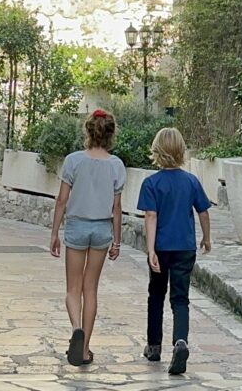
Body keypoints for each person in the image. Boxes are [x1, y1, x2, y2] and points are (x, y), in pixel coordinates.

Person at [49, 109, 125, 367]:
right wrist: (117, 241)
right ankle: (85, 350)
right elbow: (117, 208)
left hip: (77, 227)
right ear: (111, 134)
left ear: (88, 131)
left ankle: (75, 329)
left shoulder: (73, 161)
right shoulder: (116, 165)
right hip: (102, 229)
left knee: (73, 288)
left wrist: (54, 233)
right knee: (90, 289)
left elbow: (62, 200)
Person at [138, 127, 212, 375]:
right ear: (181, 150)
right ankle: (180, 341)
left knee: (156, 295)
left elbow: (150, 215)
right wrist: (207, 237)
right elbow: (203, 211)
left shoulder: (151, 183)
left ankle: (154, 346)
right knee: (180, 298)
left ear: (157, 151)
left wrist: (150, 251)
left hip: (160, 248)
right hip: (184, 248)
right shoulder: (191, 181)